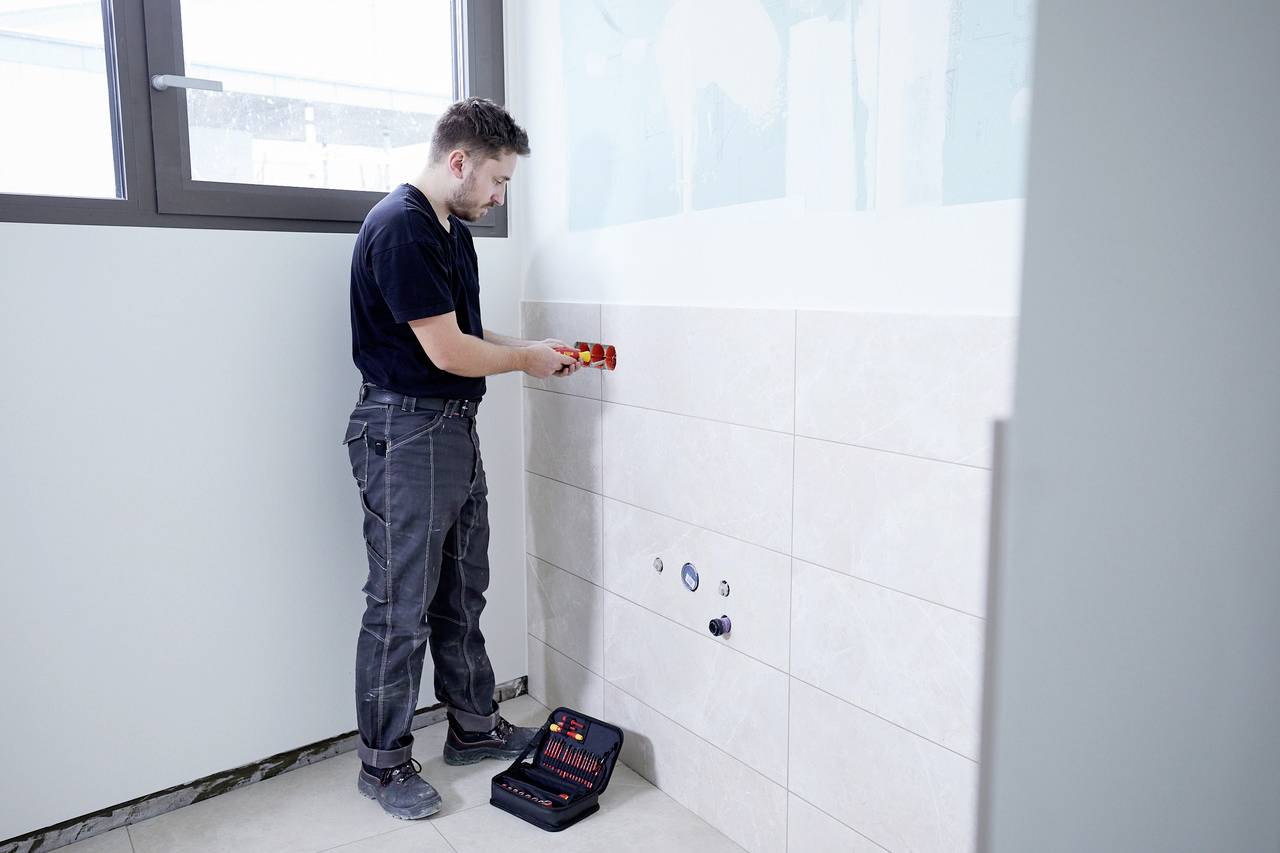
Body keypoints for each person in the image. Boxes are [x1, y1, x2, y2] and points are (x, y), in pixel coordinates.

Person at [342, 97, 578, 820]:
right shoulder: (403, 228)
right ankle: (383, 767)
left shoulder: (450, 229)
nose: (500, 195)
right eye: (498, 181)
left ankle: (474, 726)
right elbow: (446, 352)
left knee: (461, 588)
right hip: (406, 432)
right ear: (458, 161)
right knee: (400, 604)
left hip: (448, 428)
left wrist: (536, 351)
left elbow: (465, 331)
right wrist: (524, 361)